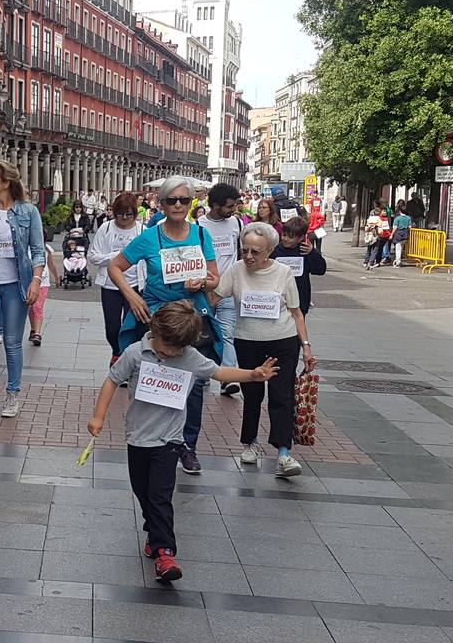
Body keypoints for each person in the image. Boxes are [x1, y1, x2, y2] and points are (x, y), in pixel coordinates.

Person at [88, 300, 277, 582]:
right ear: (154, 330)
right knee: (143, 492)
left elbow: (219, 372)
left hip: (169, 441)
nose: (169, 352)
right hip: (137, 438)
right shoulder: (136, 353)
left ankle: (166, 553)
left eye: (176, 349)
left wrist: (252, 374)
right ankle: (154, 533)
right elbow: (112, 381)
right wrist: (99, 417)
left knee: (160, 497)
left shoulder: (190, 357)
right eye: (165, 345)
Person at [108, 177, 222, 474]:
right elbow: (115, 267)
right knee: (152, 379)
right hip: (157, 317)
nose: (178, 206)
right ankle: (149, 439)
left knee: (194, 384)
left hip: (191, 317)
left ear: (191, 203)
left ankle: (188, 446)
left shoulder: (200, 235)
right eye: (172, 200)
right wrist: (132, 296)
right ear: (161, 204)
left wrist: (203, 282)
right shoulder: (149, 237)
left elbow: (215, 277)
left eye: (184, 200)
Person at [215, 223, 315, 477]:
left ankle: (284, 453)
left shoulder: (283, 273)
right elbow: (215, 296)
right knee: (252, 395)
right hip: (247, 341)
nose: (248, 256)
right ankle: (249, 444)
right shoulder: (236, 270)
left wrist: (306, 347)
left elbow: (296, 312)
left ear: (269, 251)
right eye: (244, 250)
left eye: (255, 252)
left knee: (282, 396)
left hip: (282, 341)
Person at [0, 161, 45, 420]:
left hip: (16, 286)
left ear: (6, 182)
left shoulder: (28, 212)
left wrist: (35, 281)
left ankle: (12, 395)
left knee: (13, 343)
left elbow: (37, 250)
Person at [89, 192, 147, 364]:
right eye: (121, 214)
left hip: (134, 284)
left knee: (131, 325)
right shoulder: (106, 228)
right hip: (111, 285)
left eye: (129, 214)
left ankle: (126, 359)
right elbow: (93, 256)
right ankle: (117, 352)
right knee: (112, 327)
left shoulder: (142, 230)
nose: (124, 218)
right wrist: (116, 258)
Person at [200, 183, 247, 396]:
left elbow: (242, 251)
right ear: (216, 205)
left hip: (228, 288)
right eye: (229, 206)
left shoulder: (237, 223)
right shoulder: (198, 226)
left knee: (227, 333)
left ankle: (227, 379)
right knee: (203, 333)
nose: (233, 210)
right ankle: (202, 373)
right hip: (203, 289)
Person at [273, 216, 327, 315]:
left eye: (291, 237)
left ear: (301, 238)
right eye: (284, 235)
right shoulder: (275, 251)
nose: (286, 239)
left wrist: (312, 253)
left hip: (300, 298)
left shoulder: (305, 251)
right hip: (278, 297)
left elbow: (320, 269)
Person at [28, 244, 58, 346]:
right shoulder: (24, 246)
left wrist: (56, 277)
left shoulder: (47, 249)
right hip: (28, 282)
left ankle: (37, 334)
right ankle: (33, 329)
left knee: (38, 307)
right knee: (31, 308)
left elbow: (50, 264)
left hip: (43, 282)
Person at [390, 202, 413, 266]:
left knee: (398, 248)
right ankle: (399, 261)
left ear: (400, 211)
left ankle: (398, 262)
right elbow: (410, 227)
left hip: (398, 233)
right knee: (402, 247)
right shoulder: (408, 218)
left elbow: (395, 227)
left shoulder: (397, 218)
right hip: (405, 233)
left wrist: (391, 234)